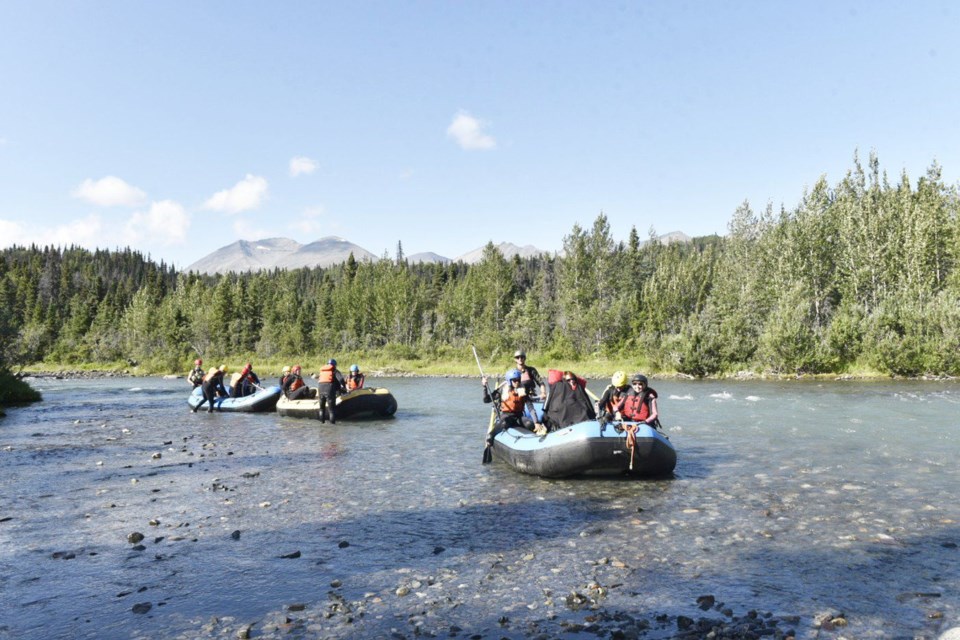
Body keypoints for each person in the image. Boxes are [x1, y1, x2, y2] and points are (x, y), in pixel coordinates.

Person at [482, 368, 545, 436]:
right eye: (514, 380)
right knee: (504, 423)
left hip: (519, 416)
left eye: (518, 380)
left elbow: (530, 408)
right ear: (510, 381)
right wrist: (485, 387)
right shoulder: (502, 390)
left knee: (529, 424)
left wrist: (536, 422)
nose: (517, 382)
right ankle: (491, 436)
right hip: (506, 416)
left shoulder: (523, 390)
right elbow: (486, 400)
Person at [315, 359, 346, 423]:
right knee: (331, 410)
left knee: (321, 409)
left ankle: (322, 423)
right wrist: (344, 387)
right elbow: (341, 379)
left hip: (320, 390)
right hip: (329, 390)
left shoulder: (322, 371)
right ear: (334, 365)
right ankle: (332, 426)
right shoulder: (334, 370)